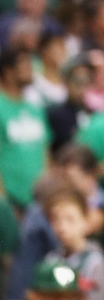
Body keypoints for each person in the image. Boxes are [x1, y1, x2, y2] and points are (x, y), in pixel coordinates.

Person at [0, 47, 52, 207]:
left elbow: (45, 151)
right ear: (8, 72)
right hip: (10, 199)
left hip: (39, 200)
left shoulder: (36, 109)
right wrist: (3, 201)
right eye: (25, 66)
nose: (31, 71)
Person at [42, 188, 104, 300]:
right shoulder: (51, 259)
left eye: (70, 219)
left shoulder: (94, 261)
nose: (62, 227)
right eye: (55, 220)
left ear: (85, 221)